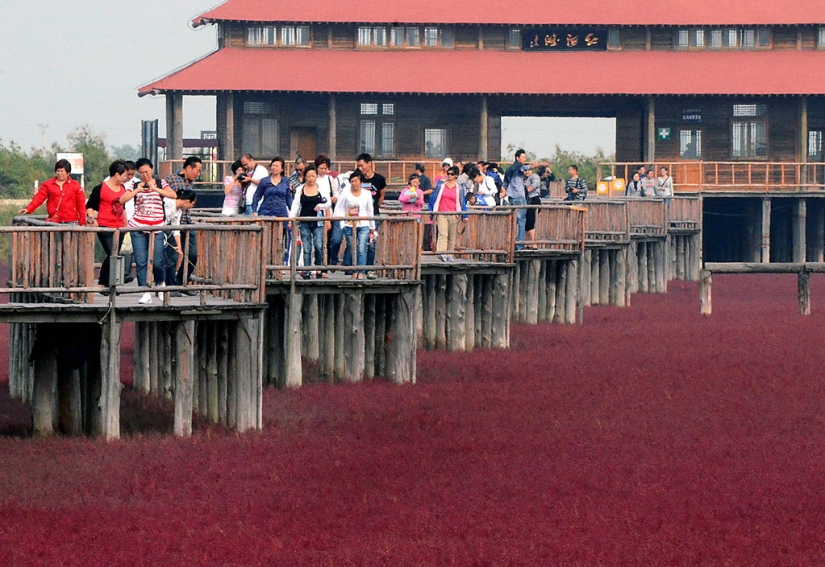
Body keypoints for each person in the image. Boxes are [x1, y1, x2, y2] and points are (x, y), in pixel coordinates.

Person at [119, 158, 177, 304]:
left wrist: (155, 188)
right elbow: (122, 199)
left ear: (151, 169)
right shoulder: (133, 184)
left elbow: (173, 195)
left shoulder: (160, 183)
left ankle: (160, 284)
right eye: (142, 172)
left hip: (156, 227)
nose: (144, 175)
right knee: (141, 261)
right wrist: (138, 189)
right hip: (138, 226)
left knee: (157, 260)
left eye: (146, 171)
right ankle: (145, 291)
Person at [86, 160, 130, 287]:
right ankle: (116, 278)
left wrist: (125, 222)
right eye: (124, 176)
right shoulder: (100, 188)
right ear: (116, 174)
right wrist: (91, 218)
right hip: (105, 225)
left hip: (119, 226)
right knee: (112, 252)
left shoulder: (122, 188)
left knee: (112, 254)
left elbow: (123, 207)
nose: (125, 178)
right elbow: (90, 206)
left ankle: (104, 282)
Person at [164, 156, 203, 288]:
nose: (199, 174)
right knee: (172, 255)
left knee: (192, 254)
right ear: (188, 168)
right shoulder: (170, 180)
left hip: (186, 221)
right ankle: (170, 284)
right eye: (197, 170)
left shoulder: (190, 183)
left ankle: (180, 282)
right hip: (172, 223)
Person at [289, 165, 331, 279]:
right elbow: (295, 205)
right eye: (308, 176)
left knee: (318, 245)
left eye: (313, 176)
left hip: (318, 221)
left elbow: (328, 203)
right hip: (304, 221)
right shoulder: (300, 189)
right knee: (307, 247)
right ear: (305, 177)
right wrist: (291, 219)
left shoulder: (321, 188)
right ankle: (307, 270)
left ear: (316, 176)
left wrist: (320, 206)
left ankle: (319, 269)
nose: (311, 178)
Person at [18, 158, 86, 225]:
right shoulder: (48, 184)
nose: (59, 173)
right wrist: (29, 208)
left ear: (68, 173)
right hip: (54, 221)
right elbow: (39, 198)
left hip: (72, 221)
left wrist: (82, 220)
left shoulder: (75, 185)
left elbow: (81, 203)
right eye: (58, 171)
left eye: (62, 171)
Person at [503, 149, 548, 249]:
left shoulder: (509, 169)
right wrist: (541, 164)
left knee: (514, 220)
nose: (524, 159)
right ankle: (520, 245)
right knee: (522, 221)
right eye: (523, 157)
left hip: (511, 197)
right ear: (517, 158)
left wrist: (503, 192)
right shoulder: (519, 166)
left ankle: (513, 243)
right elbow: (530, 166)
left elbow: (505, 183)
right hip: (519, 196)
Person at [337, 171, 376, 279]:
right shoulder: (345, 193)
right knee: (352, 247)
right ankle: (354, 269)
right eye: (352, 181)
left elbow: (369, 210)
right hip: (349, 224)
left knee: (362, 247)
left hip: (363, 223)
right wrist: (342, 223)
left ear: (361, 182)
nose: (354, 183)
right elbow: (339, 208)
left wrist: (372, 226)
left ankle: (361, 271)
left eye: (356, 181)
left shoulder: (366, 193)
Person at [356, 153, 387, 274]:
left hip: (373, 214)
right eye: (358, 166)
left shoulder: (379, 179)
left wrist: (374, 208)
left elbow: (382, 196)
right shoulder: (358, 178)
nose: (360, 168)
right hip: (359, 215)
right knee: (358, 243)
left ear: (369, 163)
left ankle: (369, 268)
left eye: (362, 165)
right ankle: (357, 268)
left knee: (371, 243)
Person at [428, 165, 467, 261]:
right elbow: (433, 198)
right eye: (448, 173)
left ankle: (450, 254)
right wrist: (431, 211)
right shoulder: (441, 185)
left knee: (452, 235)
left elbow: (462, 202)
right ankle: (441, 252)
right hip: (442, 213)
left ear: (456, 176)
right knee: (443, 233)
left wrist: (465, 215)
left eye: (451, 174)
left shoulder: (459, 188)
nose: (449, 175)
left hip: (454, 214)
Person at [165, 189, 198, 295]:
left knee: (173, 258)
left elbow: (176, 229)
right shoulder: (167, 202)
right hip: (160, 231)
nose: (191, 207)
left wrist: (179, 246)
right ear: (187, 201)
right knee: (165, 260)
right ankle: (165, 286)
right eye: (192, 204)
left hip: (168, 233)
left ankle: (171, 286)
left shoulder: (179, 211)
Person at [525, 167, 543, 246]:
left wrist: (523, 190)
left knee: (531, 221)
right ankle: (528, 243)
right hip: (527, 200)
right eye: (525, 170)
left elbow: (532, 187)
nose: (526, 172)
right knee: (527, 222)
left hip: (533, 199)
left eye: (528, 170)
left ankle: (534, 243)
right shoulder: (523, 178)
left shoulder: (534, 176)